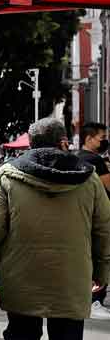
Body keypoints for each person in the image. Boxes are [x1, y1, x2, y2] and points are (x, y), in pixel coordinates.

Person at [0, 118, 110, 340]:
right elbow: (104, 229)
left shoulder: (7, 175)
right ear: (64, 143)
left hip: (20, 271)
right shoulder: (90, 178)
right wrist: (103, 273)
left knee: (21, 332)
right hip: (73, 274)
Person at [76, 123, 110, 319]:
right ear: (89, 139)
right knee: (101, 256)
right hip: (100, 216)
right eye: (101, 137)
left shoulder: (76, 158)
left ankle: (89, 298)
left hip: (84, 215)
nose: (104, 140)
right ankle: (95, 300)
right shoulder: (95, 160)